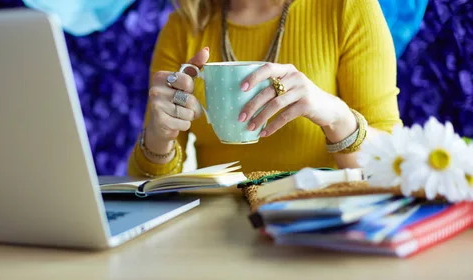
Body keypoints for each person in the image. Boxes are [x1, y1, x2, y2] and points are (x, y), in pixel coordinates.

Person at [127, 0, 402, 177]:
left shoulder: (347, 7)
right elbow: (149, 191)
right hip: (215, 233)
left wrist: (338, 118)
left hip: (317, 225)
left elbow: (392, 165)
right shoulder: (184, 25)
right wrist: (159, 138)